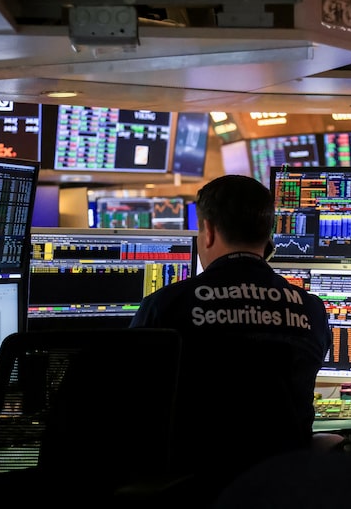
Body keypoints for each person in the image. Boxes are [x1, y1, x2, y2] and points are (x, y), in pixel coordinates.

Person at [130, 174, 331, 503]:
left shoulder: (166, 306)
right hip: (284, 490)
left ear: (207, 231)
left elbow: (129, 396)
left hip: (193, 489)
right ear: (267, 236)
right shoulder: (311, 308)